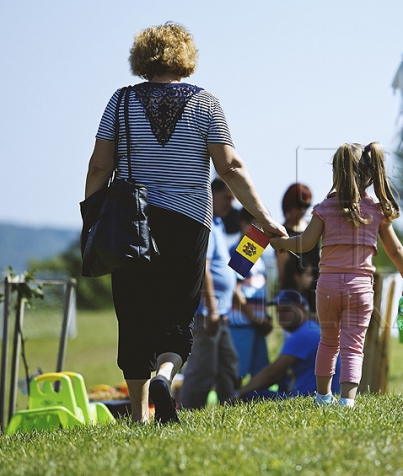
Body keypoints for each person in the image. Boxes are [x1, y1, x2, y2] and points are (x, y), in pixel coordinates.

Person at [83, 23, 285, 424]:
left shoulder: (120, 102)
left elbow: (99, 166)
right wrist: (263, 216)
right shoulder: (207, 104)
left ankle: (140, 413)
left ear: (141, 57)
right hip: (189, 221)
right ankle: (165, 374)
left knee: (134, 311)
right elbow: (229, 166)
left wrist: (92, 219)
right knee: (178, 311)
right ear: (185, 57)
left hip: (130, 223)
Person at [271, 142, 403, 408]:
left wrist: (282, 244)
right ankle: (347, 400)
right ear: (371, 173)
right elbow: (394, 249)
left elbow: (305, 243)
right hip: (360, 289)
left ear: (337, 172)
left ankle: (323, 396)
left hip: (327, 288)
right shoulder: (376, 209)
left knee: (328, 341)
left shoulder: (325, 208)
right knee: (353, 346)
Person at [178, 179, 239, 410]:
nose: (231, 204)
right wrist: (212, 309)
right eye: (227, 198)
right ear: (212, 193)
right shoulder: (206, 224)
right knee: (203, 368)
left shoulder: (219, 224)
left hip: (220, 313)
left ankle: (229, 404)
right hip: (208, 312)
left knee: (228, 364)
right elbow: (203, 268)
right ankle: (187, 410)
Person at [235, 278, 340, 401]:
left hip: (307, 397)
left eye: (286, 310)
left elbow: (272, 373)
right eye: (278, 311)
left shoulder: (305, 334)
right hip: (312, 395)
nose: (281, 315)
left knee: (250, 396)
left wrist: (238, 394)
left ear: (302, 308)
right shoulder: (309, 329)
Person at [227, 208, 273, 383]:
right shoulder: (245, 249)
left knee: (259, 372)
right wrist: (256, 318)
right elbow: (234, 291)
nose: (260, 230)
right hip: (242, 324)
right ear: (243, 224)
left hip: (256, 324)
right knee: (237, 373)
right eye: (256, 225)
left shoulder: (257, 252)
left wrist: (265, 317)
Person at [275, 183, 321, 316]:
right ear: (288, 204)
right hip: (296, 297)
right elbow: (283, 273)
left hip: (318, 292)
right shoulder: (282, 233)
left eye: (306, 206)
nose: (302, 210)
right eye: (298, 205)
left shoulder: (312, 227)